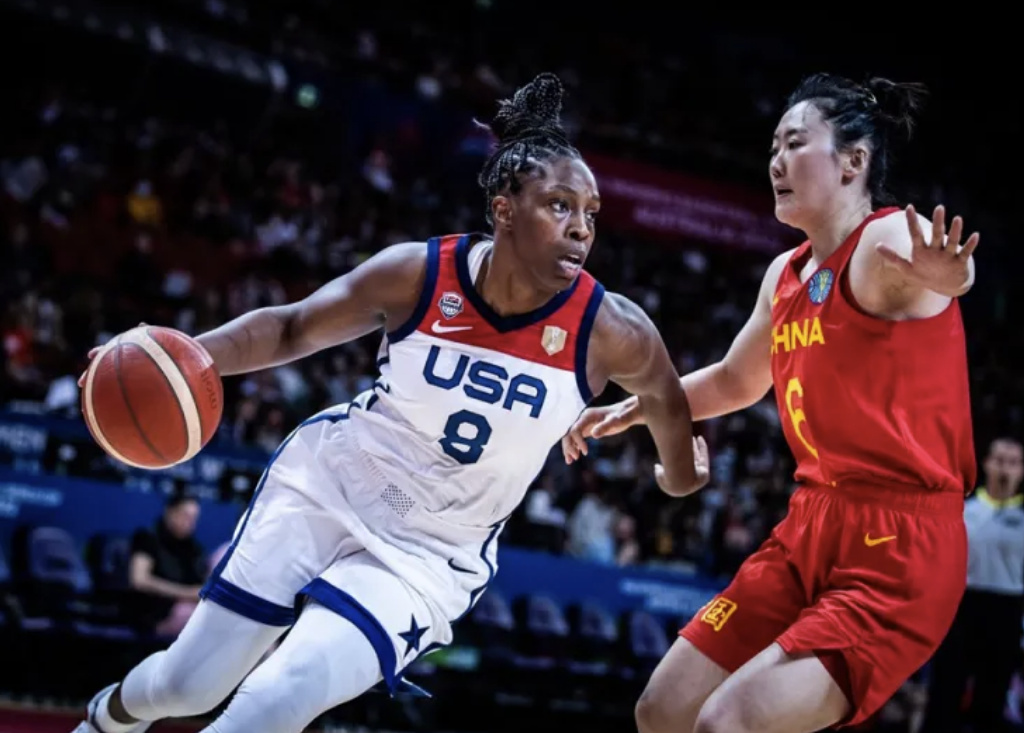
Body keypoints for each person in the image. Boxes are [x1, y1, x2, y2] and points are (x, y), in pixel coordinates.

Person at [72, 72, 709, 733]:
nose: (580, 230)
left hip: (431, 550)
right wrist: (170, 362)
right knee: (187, 685)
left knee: (277, 698)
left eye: (590, 214)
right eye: (559, 206)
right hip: (333, 482)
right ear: (504, 210)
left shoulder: (612, 329)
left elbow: (667, 400)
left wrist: (679, 476)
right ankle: (106, 720)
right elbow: (291, 328)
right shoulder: (419, 275)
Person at [564, 73, 980, 733]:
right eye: (773, 148)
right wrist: (642, 406)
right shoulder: (784, 274)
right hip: (811, 523)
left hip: (900, 546)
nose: (776, 162)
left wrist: (951, 275)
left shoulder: (884, 243)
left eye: (795, 143)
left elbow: (935, 265)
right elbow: (736, 379)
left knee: (727, 721)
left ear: (853, 161)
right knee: (663, 709)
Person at [920, 436, 1024, 733]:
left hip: (1006, 610)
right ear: (987, 464)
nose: (1005, 469)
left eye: (1013, 463)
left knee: (992, 696)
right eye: (1000, 460)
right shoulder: (964, 511)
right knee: (945, 690)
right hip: (963, 607)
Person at [127, 493, 206, 636]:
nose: (190, 523)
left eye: (194, 518)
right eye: (185, 516)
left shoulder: (194, 549)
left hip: (185, 609)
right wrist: (185, 593)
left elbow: (200, 585)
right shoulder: (147, 538)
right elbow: (140, 580)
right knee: (188, 615)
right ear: (170, 512)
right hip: (152, 612)